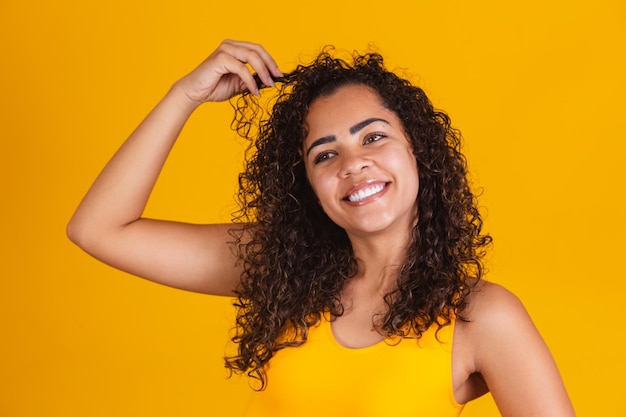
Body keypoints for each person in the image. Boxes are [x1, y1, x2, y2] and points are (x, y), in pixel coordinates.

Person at [67, 39, 575, 416]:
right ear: (308, 184)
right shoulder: (282, 270)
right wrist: (183, 96)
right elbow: (99, 229)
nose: (353, 165)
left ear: (418, 150)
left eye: (373, 137)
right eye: (325, 153)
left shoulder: (479, 316)